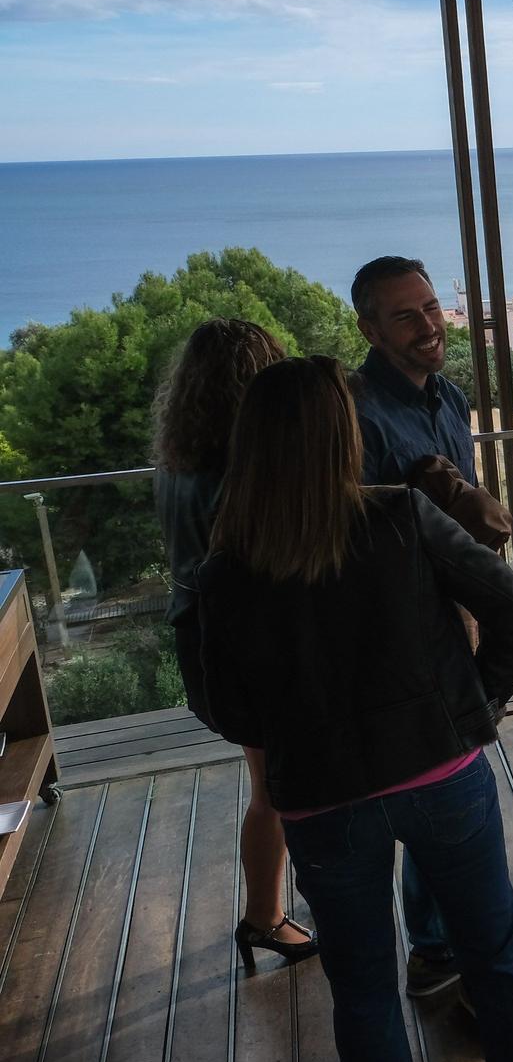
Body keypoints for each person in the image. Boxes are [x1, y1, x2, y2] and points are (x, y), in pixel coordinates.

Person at [197, 357, 513, 1062]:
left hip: (321, 806)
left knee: (365, 1000)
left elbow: (222, 704)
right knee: (500, 965)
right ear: (343, 437)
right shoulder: (398, 516)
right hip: (441, 778)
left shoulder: (227, 566)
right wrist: (466, 714)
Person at [153, 318, 318, 970]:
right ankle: (288, 912)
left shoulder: (176, 464)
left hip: (200, 640)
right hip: (254, 648)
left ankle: (264, 915)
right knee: (293, 789)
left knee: (271, 789)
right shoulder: (239, 474)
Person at [347, 255, 475, 999]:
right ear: (369, 328)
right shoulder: (359, 414)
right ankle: (432, 949)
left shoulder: (449, 397)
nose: (429, 325)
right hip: (397, 633)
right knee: (427, 789)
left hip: (451, 618)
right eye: (406, 315)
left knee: (450, 782)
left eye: (431, 308)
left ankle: (442, 939)